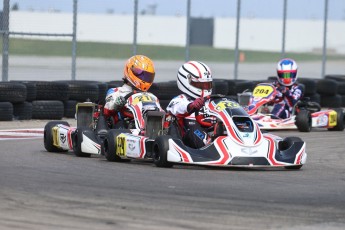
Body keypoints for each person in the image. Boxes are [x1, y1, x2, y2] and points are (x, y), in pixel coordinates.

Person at [166, 61, 213, 149]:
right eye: (200, 84)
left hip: (211, 131)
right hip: (189, 136)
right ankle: (210, 147)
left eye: (207, 85)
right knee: (194, 130)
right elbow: (176, 108)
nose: (204, 88)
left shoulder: (211, 101)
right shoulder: (180, 99)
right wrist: (191, 106)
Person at [103, 55, 156, 127]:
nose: (144, 79)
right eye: (142, 75)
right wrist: (116, 105)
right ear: (130, 70)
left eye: (147, 76)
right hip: (123, 131)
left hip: (148, 128)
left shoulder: (151, 96)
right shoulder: (116, 92)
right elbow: (107, 110)